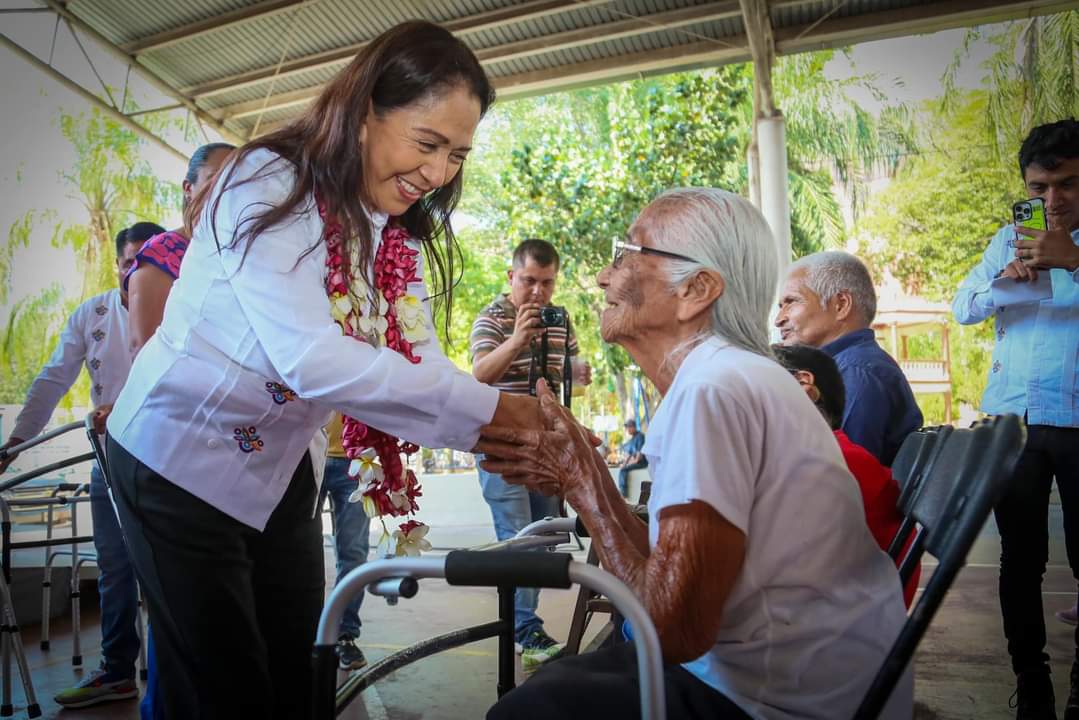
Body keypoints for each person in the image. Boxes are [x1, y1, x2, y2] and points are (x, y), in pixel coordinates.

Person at [104, 22, 539, 719]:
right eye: (427, 144)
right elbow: (312, 359)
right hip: (177, 457)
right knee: (221, 690)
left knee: (295, 673)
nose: (438, 174)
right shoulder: (265, 180)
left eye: (457, 154)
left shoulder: (390, 230)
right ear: (364, 113)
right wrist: (494, 416)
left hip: (278, 469)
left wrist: (495, 432)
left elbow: (418, 358)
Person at [478, 188, 912, 720]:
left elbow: (674, 630)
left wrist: (581, 481)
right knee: (556, 684)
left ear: (696, 290)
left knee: (526, 710)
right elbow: (668, 579)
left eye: (627, 254)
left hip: (774, 702)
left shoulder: (715, 388)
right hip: (791, 684)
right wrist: (584, 474)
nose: (604, 277)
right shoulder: (723, 377)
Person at [0, 222, 164, 709]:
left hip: (169, 463)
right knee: (115, 568)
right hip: (108, 460)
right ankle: (116, 671)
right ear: (117, 265)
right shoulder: (91, 314)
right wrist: (16, 444)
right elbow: (53, 379)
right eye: (130, 262)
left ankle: (174, 675)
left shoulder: (181, 311)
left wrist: (128, 408)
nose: (137, 271)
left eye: (148, 262)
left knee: (167, 571)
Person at [952, 118, 1079, 720]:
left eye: (1068, 184)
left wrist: (1073, 260)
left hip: (1077, 419)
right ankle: (1032, 684)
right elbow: (963, 307)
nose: (1052, 200)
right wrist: (1003, 283)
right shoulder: (1007, 240)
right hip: (1016, 420)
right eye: (1038, 187)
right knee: (1020, 561)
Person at [121, 142, 234, 720]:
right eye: (213, 181)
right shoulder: (165, 254)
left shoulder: (246, 258)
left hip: (233, 462)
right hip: (175, 456)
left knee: (221, 623)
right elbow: (149, 351)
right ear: (187, 189)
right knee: (185, 621)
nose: (225, 194)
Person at [469, 238, 590, 671]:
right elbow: (479, 375)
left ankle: (523, 627)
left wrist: (578, 372)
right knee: (517, 535)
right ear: (511, 277)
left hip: (546, 445)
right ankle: (526, 629)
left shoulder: (560, 319)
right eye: (529, 281)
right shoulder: (493, 318)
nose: (538, 291)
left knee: (543, 539)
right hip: (501, 446)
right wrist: (518, 340)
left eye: (547, 282)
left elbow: (572, 372)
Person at [772, 342, 919, 608]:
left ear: (803, 384)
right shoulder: (832, 451)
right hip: (863, 603)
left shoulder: (823, 460)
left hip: (848, 613)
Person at [776, 250, 922, 466]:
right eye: (780, 307)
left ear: (841, 305)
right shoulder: (849, 366)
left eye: (791, 302)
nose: (779, 319)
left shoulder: (857, 372)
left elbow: (843, 472)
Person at [319, 413, 372, 671]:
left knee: (354, 553)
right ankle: (305, 630)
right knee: (300, 552)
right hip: (307, 453)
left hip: (357, 459)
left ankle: (345, 634)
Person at [617, 418, 647, 497]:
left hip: (642, 462)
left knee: (623, 470)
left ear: (634, 427)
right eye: (627, 428)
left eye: (629, 427)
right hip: (635, 461)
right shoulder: (632, 439)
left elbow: (638, 458)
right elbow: (629, 455)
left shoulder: (640, 436)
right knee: (622, 467)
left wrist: (627, 465)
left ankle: (623, 493)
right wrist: (624, 464)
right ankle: (621, 491)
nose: (628, 430)